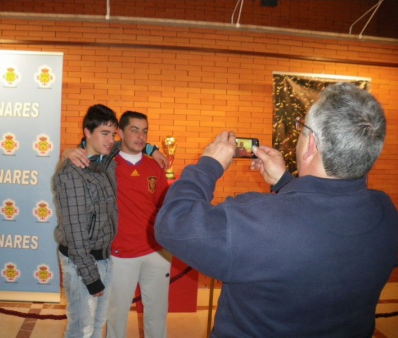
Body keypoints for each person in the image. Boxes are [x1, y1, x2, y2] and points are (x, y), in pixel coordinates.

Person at [154, 82, 398, 337]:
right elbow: (327, 221)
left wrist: (209, 165)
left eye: (302, 129)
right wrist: (284, 181)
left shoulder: (256, 218)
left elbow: (173, 222)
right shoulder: (385, 212)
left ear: (311, 144)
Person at [53, 104, 119, 338]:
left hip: (104, 257)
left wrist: (152, 149)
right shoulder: (72, 173)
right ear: (87, 132)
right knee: (81, 328)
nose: (111, 139)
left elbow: (131, 142)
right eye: (104, 133)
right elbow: (74, 233)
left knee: (97, 323)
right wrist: (92, 278)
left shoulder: (104, 161)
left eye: (113, 134)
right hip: (81, 262)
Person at [106, 111, 171, 338]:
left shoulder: (155, 168)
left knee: (157, 313)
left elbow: (164, 207)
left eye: (144, 131)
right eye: (134, 130)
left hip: (156, 252)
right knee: (116, 314)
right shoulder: (106, 166)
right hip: (120, 253)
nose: (140, 136)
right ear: (120, 133)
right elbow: (86, 146)